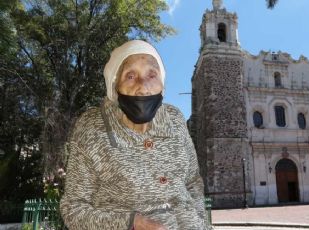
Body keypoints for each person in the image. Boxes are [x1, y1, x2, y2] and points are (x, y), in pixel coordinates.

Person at [60, 40, 211, 230]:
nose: (143, 87)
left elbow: (192, 181)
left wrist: (200, 222)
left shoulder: (174, 119)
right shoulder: (93, 127)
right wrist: (132, 223)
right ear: (115, 86)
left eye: (152, 74)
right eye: (130, 76)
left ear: (162, 85)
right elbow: (74, 209)